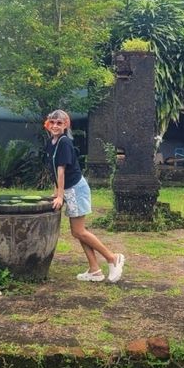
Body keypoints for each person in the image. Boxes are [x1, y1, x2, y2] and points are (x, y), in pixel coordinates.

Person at [45, 109, 125, 283]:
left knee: (79, 231)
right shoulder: (51, 142)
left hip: (75, 189)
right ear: (48, 124)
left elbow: (61, 170)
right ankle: (95, 270)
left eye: (59, 123)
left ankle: (112, 258)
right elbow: (53, 170)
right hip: (68, 189)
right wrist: (56, 192)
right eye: (52, 122)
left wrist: (60, 196)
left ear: (66, 125)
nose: (55, 126)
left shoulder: (64, 142)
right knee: (79, 232)